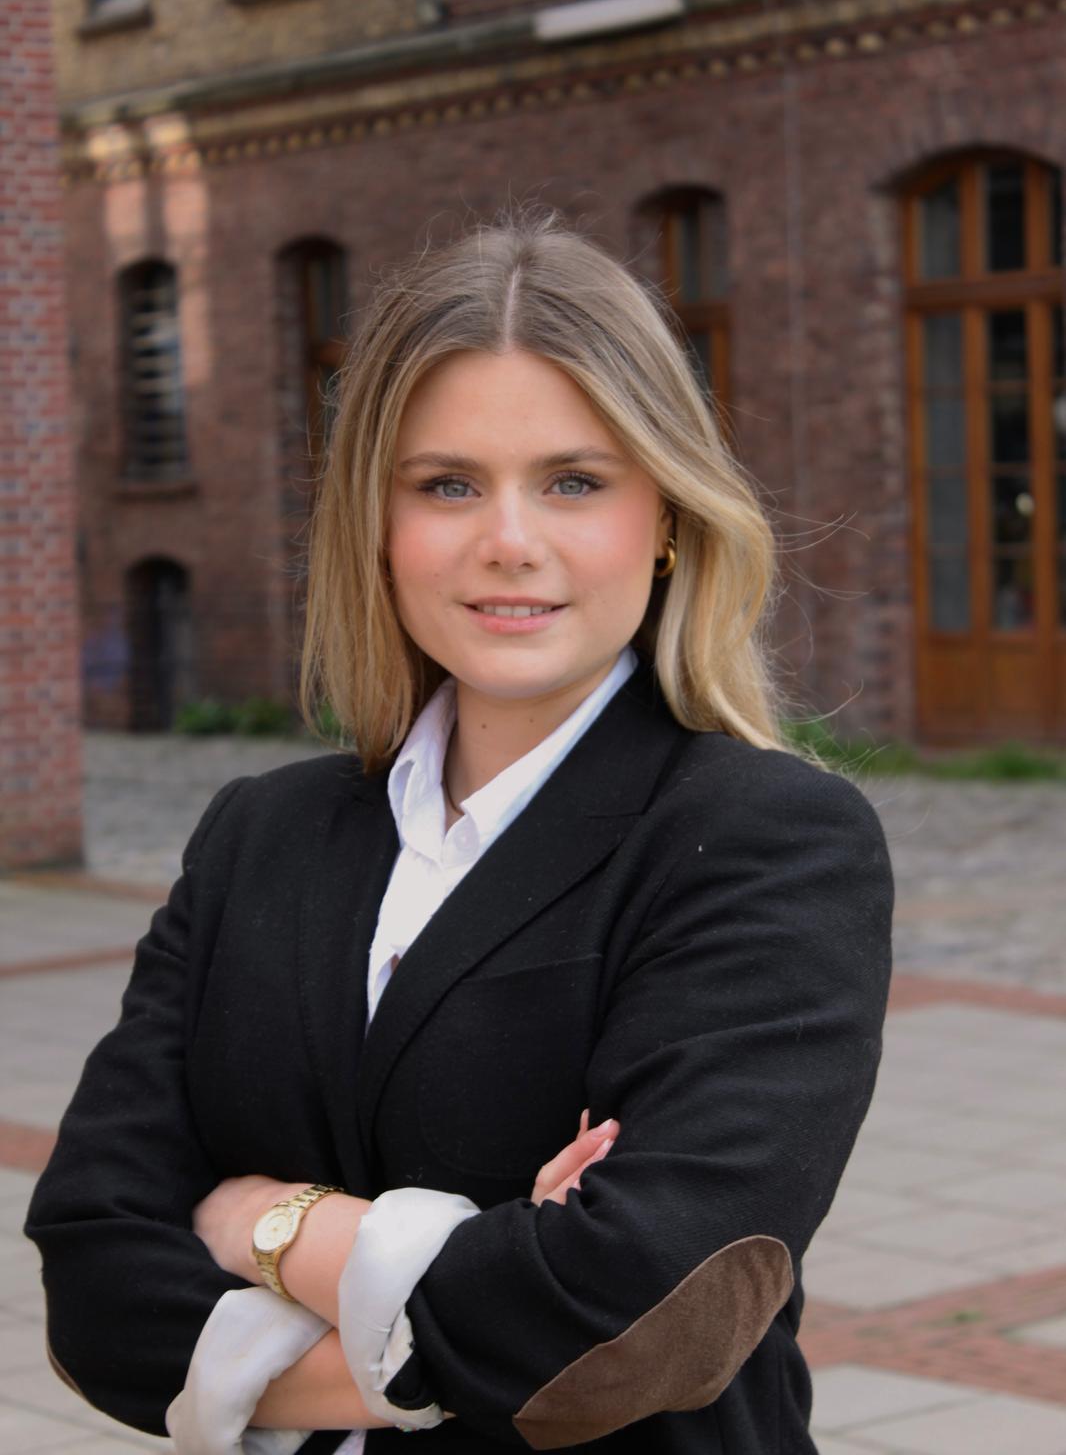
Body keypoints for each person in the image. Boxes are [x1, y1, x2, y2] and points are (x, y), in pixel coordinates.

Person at [25, 209, 894, 1454]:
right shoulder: (257, 836)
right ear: (375, 525)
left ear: (664, 514)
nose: (508, 543)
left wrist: (260, 1224)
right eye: (446, 484)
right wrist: (475, 1287)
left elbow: (640, 1313)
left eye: (574, 481)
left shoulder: (768, 842)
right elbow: (94, 1275)